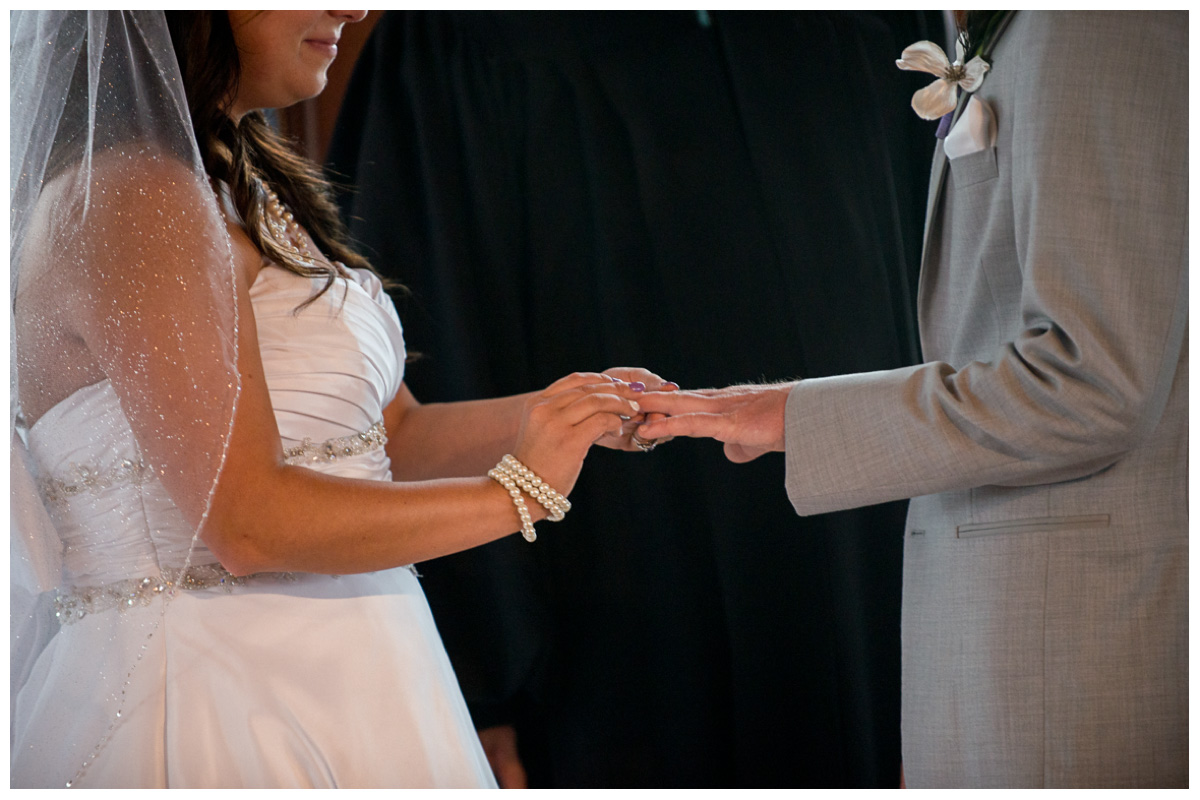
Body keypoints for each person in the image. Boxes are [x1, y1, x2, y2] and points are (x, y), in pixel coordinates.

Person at [10, 10, 660, 789]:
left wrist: (570, 414)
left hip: (363, 665)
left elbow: (392, 436)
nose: (352, 9)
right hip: (213, 687)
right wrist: (517, 495)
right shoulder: (133, 196)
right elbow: (247, 522)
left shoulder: (239, 184)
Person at [328, 11, 939, 787]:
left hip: (870, 564)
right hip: (615, 597)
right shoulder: (471, 39)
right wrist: (477, 683)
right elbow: (433, 343)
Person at [636, 11, 1187, 788]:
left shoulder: (1097, 24)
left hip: (1076, 647)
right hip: (997, 639)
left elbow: (1094, 381)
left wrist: (797, 414)